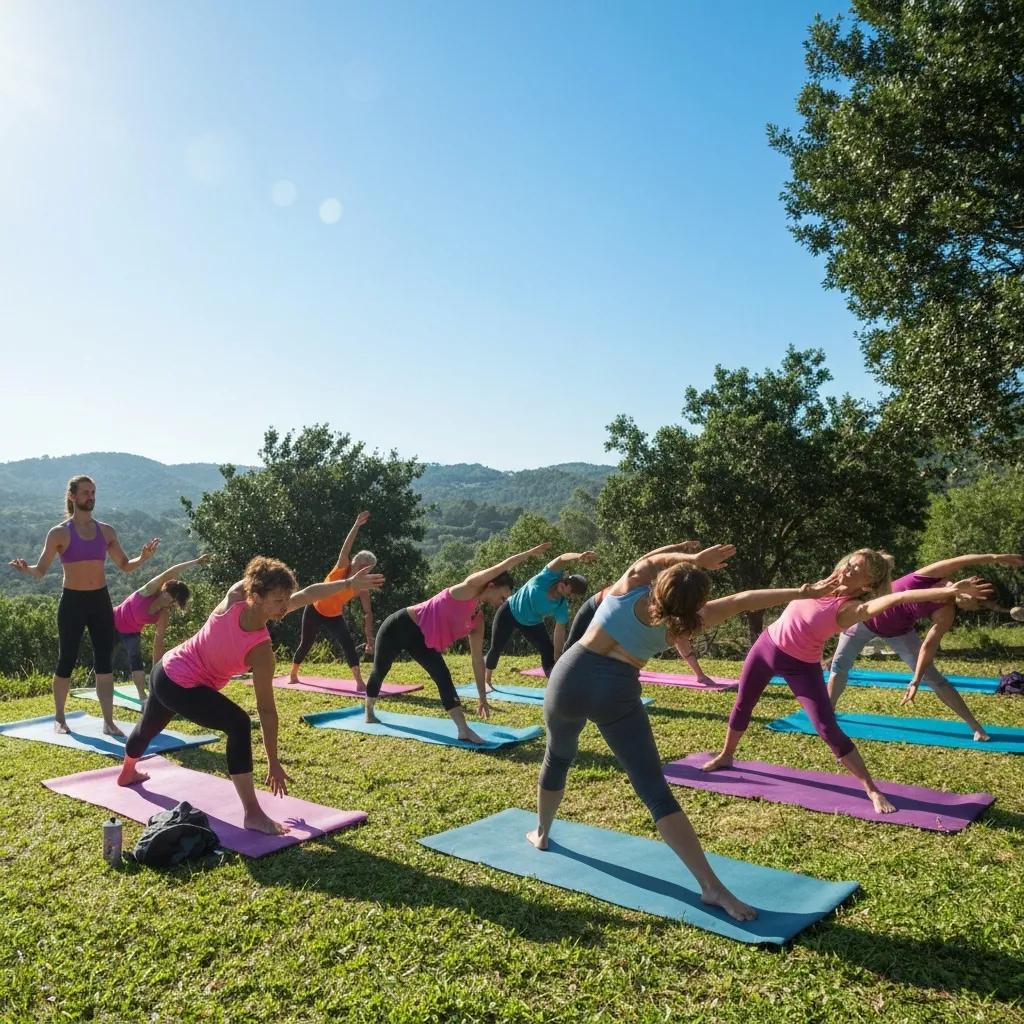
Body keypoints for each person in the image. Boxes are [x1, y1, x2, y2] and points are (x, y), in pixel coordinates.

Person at [530, 540, 843, 923]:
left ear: (661, 583)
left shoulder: (627, 589)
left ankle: (542, 833)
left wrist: (691, 557)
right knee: (654, 792)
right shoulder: (681, 623)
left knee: (558, 755)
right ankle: (712, 887)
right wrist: (804, 592)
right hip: (617, 693)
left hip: (569, 679)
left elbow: (652, 558)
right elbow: (744, 599)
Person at [702, 550, 994, 811]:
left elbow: (900, 596)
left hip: (802, 666)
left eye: (858, 571)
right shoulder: (824, 582)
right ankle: (726, 755)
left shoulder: (853, 609)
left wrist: (948, 592)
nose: (848, 570)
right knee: (743, 704)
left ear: (867, 585)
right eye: (850, 564)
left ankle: (872, 789)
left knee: (827, 727)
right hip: (766, 647)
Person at [118, 555, 384, 834]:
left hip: (165, 670)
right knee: (238, 723)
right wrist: (272, 761)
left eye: (286, 600)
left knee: (148, 726)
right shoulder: (249, 625)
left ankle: (127, 773)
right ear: (256, 596)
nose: (284, 607)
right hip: (180, 682)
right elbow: (265, 712)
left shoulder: (249, 617)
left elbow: (307, 594)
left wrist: (349, 583)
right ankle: (253, 814)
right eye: (278, 601)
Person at [8, 475, 159, 735]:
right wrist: (26, 570)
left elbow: (125, 565)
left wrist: (143, 558)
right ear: (72, 496)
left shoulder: (106, 531)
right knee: (66, 659)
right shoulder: (59, 533)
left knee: (104, 662)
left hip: (100, 601)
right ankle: (59, 718)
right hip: (73, 602)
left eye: (93, 492)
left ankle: (108, 722)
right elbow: (41, 570)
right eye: (86, 492)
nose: (91, 496)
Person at [364, 542, 553, 742]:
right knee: (380, 670)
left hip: (422, 640)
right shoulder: (468, 588)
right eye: (503, 595)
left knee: (442, 675)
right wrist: (528, 554)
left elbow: (477, 660)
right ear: (491, 585)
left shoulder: (477, 620)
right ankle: (369, 710)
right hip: (399, 625)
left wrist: (482, 697)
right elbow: (501, 566)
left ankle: (463, 729)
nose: (503, 601)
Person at [827, 551, 1024, 741]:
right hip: (864, 619)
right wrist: (996, 558)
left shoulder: (945, 613)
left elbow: (927, 648)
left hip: (899, 633)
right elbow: (961, 560)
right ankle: (828, 715)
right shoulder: (929, 576)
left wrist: (916, 679)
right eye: (976, 605)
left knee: (936, 679)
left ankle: (976, 728)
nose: (972, 609)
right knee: (839, 667)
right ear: (972, 590)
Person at [563, 542, 719, 685]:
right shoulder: (641, 582)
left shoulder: (668, 605)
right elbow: (648, 560)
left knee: (600, 660)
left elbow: (681, 638)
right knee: (571, 650)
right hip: (594, 606)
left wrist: (700, 674)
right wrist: (682, 549)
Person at [288, 511, 377, 690]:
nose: (368, 573)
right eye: (367, 569)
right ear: (358, 564)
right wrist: (356, 525)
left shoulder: (362, 586)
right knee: (306, 643)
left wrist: (370, 639)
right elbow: (346, 548)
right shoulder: (342, 566)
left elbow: (368, 613)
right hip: (315, 609)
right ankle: (293, 673)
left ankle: (359, 680)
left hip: (334, 615)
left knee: (348, 644)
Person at [483, 550, 595, 684]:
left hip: (532, 623)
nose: (564, 584)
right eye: (566, 581)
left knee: (548, 651)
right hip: (509, 610)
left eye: (568, 588)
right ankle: (487, 680)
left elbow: (559, 632)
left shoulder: (561, 606)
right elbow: (562, 558)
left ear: (569, 595)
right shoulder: (548, 576)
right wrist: (579, 556)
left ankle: (555, 682)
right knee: (496, 647)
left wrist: (558, 657)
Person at [113, 554, 212, 700]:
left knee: (136, 661)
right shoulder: (149, 591)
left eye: (171, 598)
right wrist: (196, 562)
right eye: (167, 592)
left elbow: (158, 643)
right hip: (111, 621)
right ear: (164, 589)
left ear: (174, 603)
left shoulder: (163, 615)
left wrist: (155, 674)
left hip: (131, 632)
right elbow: (170, 572)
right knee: (104, 659)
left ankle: (143, 697)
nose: (166, 597)